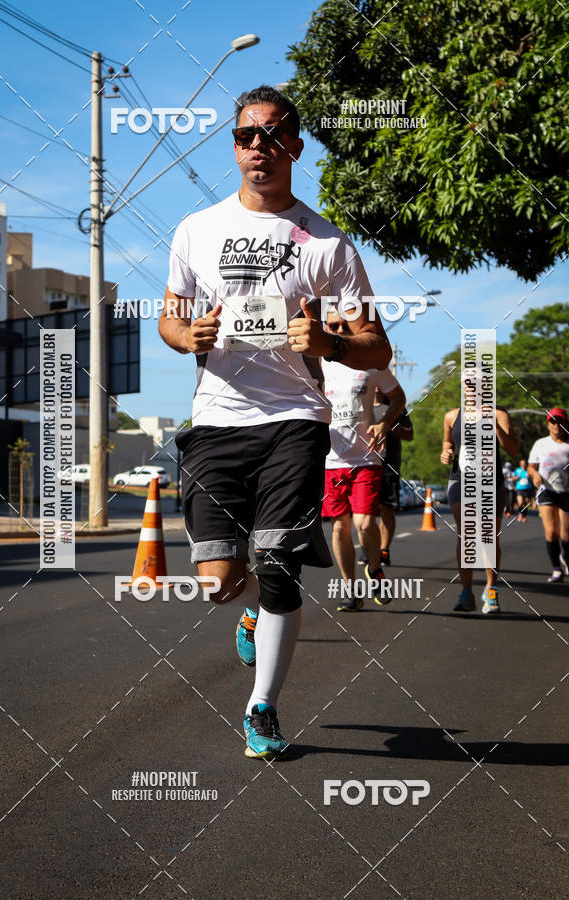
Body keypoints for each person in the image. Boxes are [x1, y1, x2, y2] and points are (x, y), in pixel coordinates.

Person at [159, 85, 390, 760]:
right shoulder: (195, 230)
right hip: (216, 421)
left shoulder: (328, 244)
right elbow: (172, 320)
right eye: (243, 135)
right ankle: (253, 609)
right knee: (219, 583)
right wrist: (186, 336)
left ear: (295, 144)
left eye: (270, 133)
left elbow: (377, 348)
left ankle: (263, 708)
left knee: (278, 560)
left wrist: (332, 347)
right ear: (234, 147)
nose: (256, 145)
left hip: (293, 417)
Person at [321, 304, 405, 612]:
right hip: (331, 461)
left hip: (366, 458)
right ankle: (349, 588)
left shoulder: (371, 363)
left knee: (365, 522)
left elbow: (398, 397)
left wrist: (384, 423)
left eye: (345, 325)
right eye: (333, 326)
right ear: (325, 328)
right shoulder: (317, 364)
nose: (340, 330)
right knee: (340, 528)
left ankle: (374, 566)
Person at [441, 403, 519, 613]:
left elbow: (513, 450)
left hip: (491, 482)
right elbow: (447, 444)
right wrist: (446, 453)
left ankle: (491, 589)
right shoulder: (451, 416)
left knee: (488, 537)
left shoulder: (499, 413)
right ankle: (466, 592)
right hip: (460, 480)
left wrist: (494, 426)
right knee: (465, 536)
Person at [527, 408, 569, 583]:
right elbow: (531, 467)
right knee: (551, 533)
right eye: (552, 421)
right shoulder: (541, 444)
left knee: (566, 535)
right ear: (548, 425)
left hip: (566, 492)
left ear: (565, 423)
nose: (556, 425)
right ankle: (557, 569)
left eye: (559, 421)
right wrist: (535, 475)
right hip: (546, 492)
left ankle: (565, 557)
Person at [373, 387, 414, 566]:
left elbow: (409, 434)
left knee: (386, 509)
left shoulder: (395, 406)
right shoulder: (360, 405)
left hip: (388, 466)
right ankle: (370, 548)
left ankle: (383, 550)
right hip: (364, 465)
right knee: (364, 513)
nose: (376, 386)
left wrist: (391, 424)